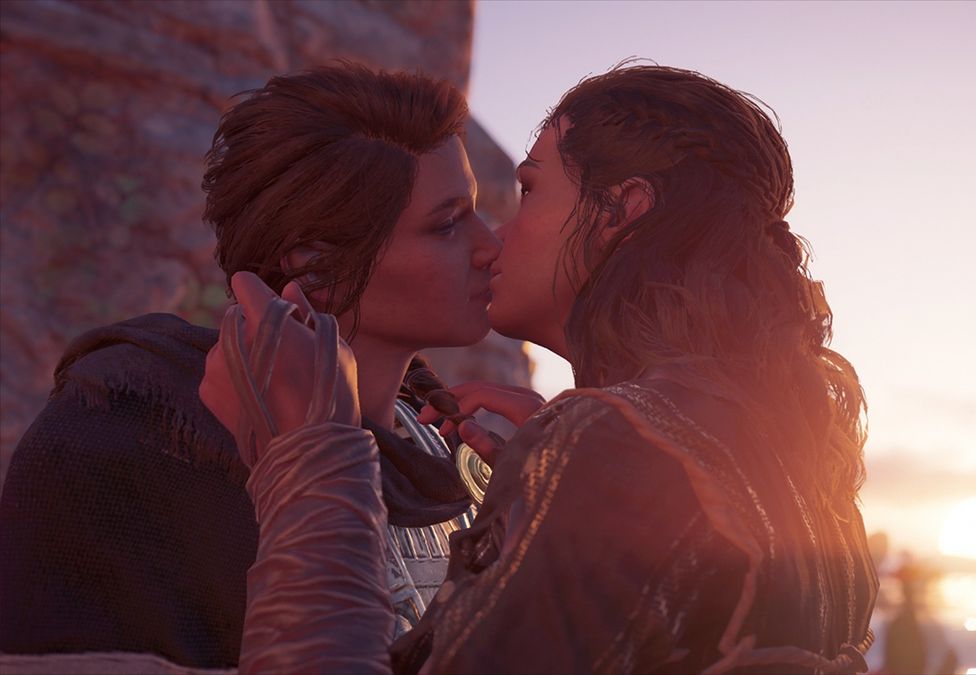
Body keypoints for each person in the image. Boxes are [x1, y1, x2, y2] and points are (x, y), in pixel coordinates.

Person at [202, 63, 879, 674]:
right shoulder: (792, 462)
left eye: (529, 190)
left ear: (621, 211)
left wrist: (311, 455)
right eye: (448, 223)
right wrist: (543, 497)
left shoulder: (614, 447)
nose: (495, 239)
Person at [0, 63, 500, 668]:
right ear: (315, 263)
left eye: (473, 212)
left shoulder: (448, 449)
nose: (490, 245)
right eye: (446, 225)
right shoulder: (132, 433)